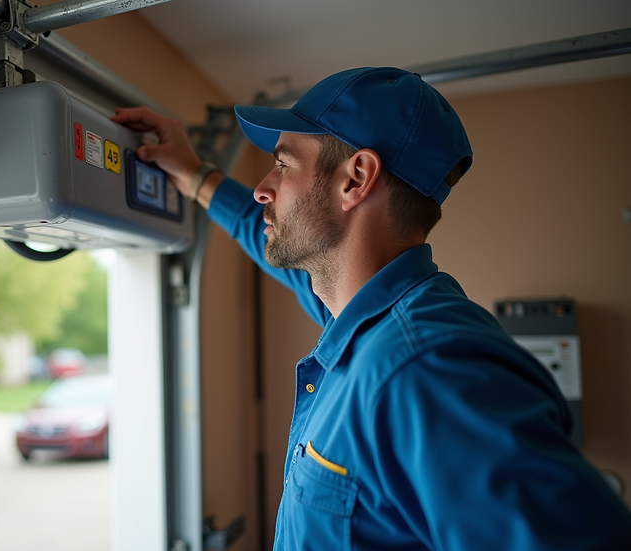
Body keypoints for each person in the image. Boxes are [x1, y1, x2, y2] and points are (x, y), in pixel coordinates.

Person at [112, 67, 631, 550]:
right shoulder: (361, 322)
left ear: (356, 178)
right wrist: (195, 175)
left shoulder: (425, 370)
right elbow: (267, 233)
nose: (263, 189)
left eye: (282, 164)